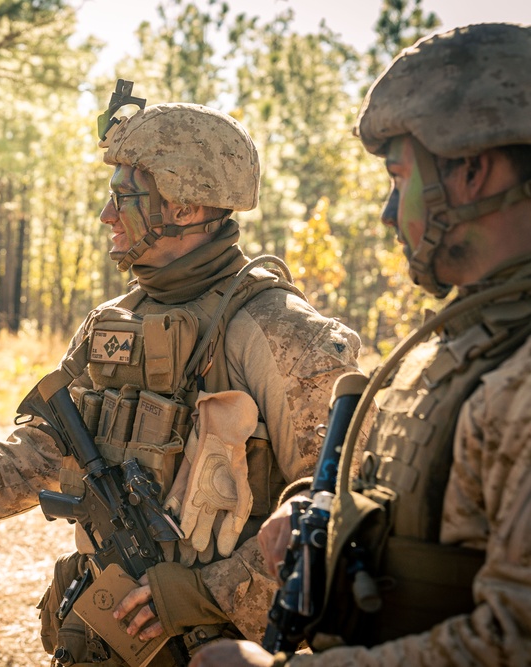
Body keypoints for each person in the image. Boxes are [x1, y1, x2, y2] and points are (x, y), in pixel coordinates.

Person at [0, 93, 364, 664]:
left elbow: (338, 513)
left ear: (185, 207)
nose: (107, 216)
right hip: (102, 638)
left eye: (124, 198)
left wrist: (199, 595)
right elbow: (37, 456)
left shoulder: (282, 333)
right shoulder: (114, 323)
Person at [190, 22, 531, 667]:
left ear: (472, 172)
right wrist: (306, 509)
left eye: (400, 178)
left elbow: (513, 641)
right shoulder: (453, 344)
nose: (386, 211)